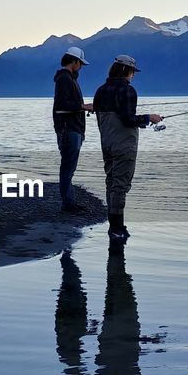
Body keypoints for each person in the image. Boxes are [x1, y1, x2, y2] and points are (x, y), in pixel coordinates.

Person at [91, 55, 162, 241]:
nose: (133, 76)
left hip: (106, 143)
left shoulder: (100, 90)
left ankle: (113, 226)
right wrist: (149, 118)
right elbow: (129, 119)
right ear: (125, 71)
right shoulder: (128, 91)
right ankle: (117, 228)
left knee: (111, 182)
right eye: (132, 72)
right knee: (121, 185)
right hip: (124, 145)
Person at [52, 46, 93, 214]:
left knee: (69, 168)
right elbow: (61, 106)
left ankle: (69, 202)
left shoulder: (70, 78)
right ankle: (68, 205)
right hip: (69, 130)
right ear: (73, 61)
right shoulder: (64, 79)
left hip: (72, 130)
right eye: (80, 63)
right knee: (67, 169)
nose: (81, 66)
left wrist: (83, 107)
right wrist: (83, 106)